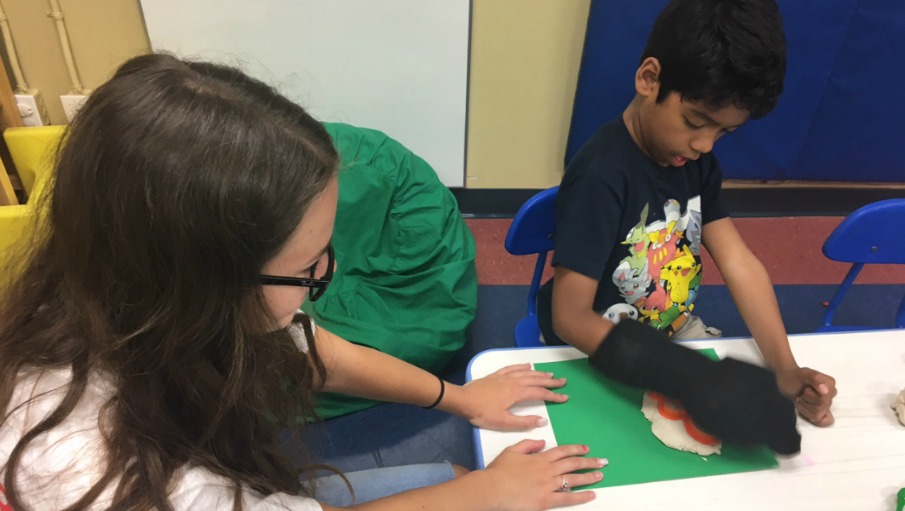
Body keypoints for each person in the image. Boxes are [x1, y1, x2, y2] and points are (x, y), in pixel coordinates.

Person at [0, 54, 605, 510]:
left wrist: (460, 397)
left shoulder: (129, 293)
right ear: (208, 282)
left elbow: (309, 351)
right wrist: (491, 494)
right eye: (309, 265)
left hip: (242, 477)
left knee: (458, 483)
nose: (329, 274)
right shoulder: (107, 472)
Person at [536, 0, 837, 452]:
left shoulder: (695, 163)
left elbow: (738, 262)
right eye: (696, 122)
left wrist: (784, 368)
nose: (702, 145)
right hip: (595, 343)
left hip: (670, 331)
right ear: (649, 79)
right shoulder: (601, 174)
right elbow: (570, 317)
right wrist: (692, 377)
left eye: (722, 133)